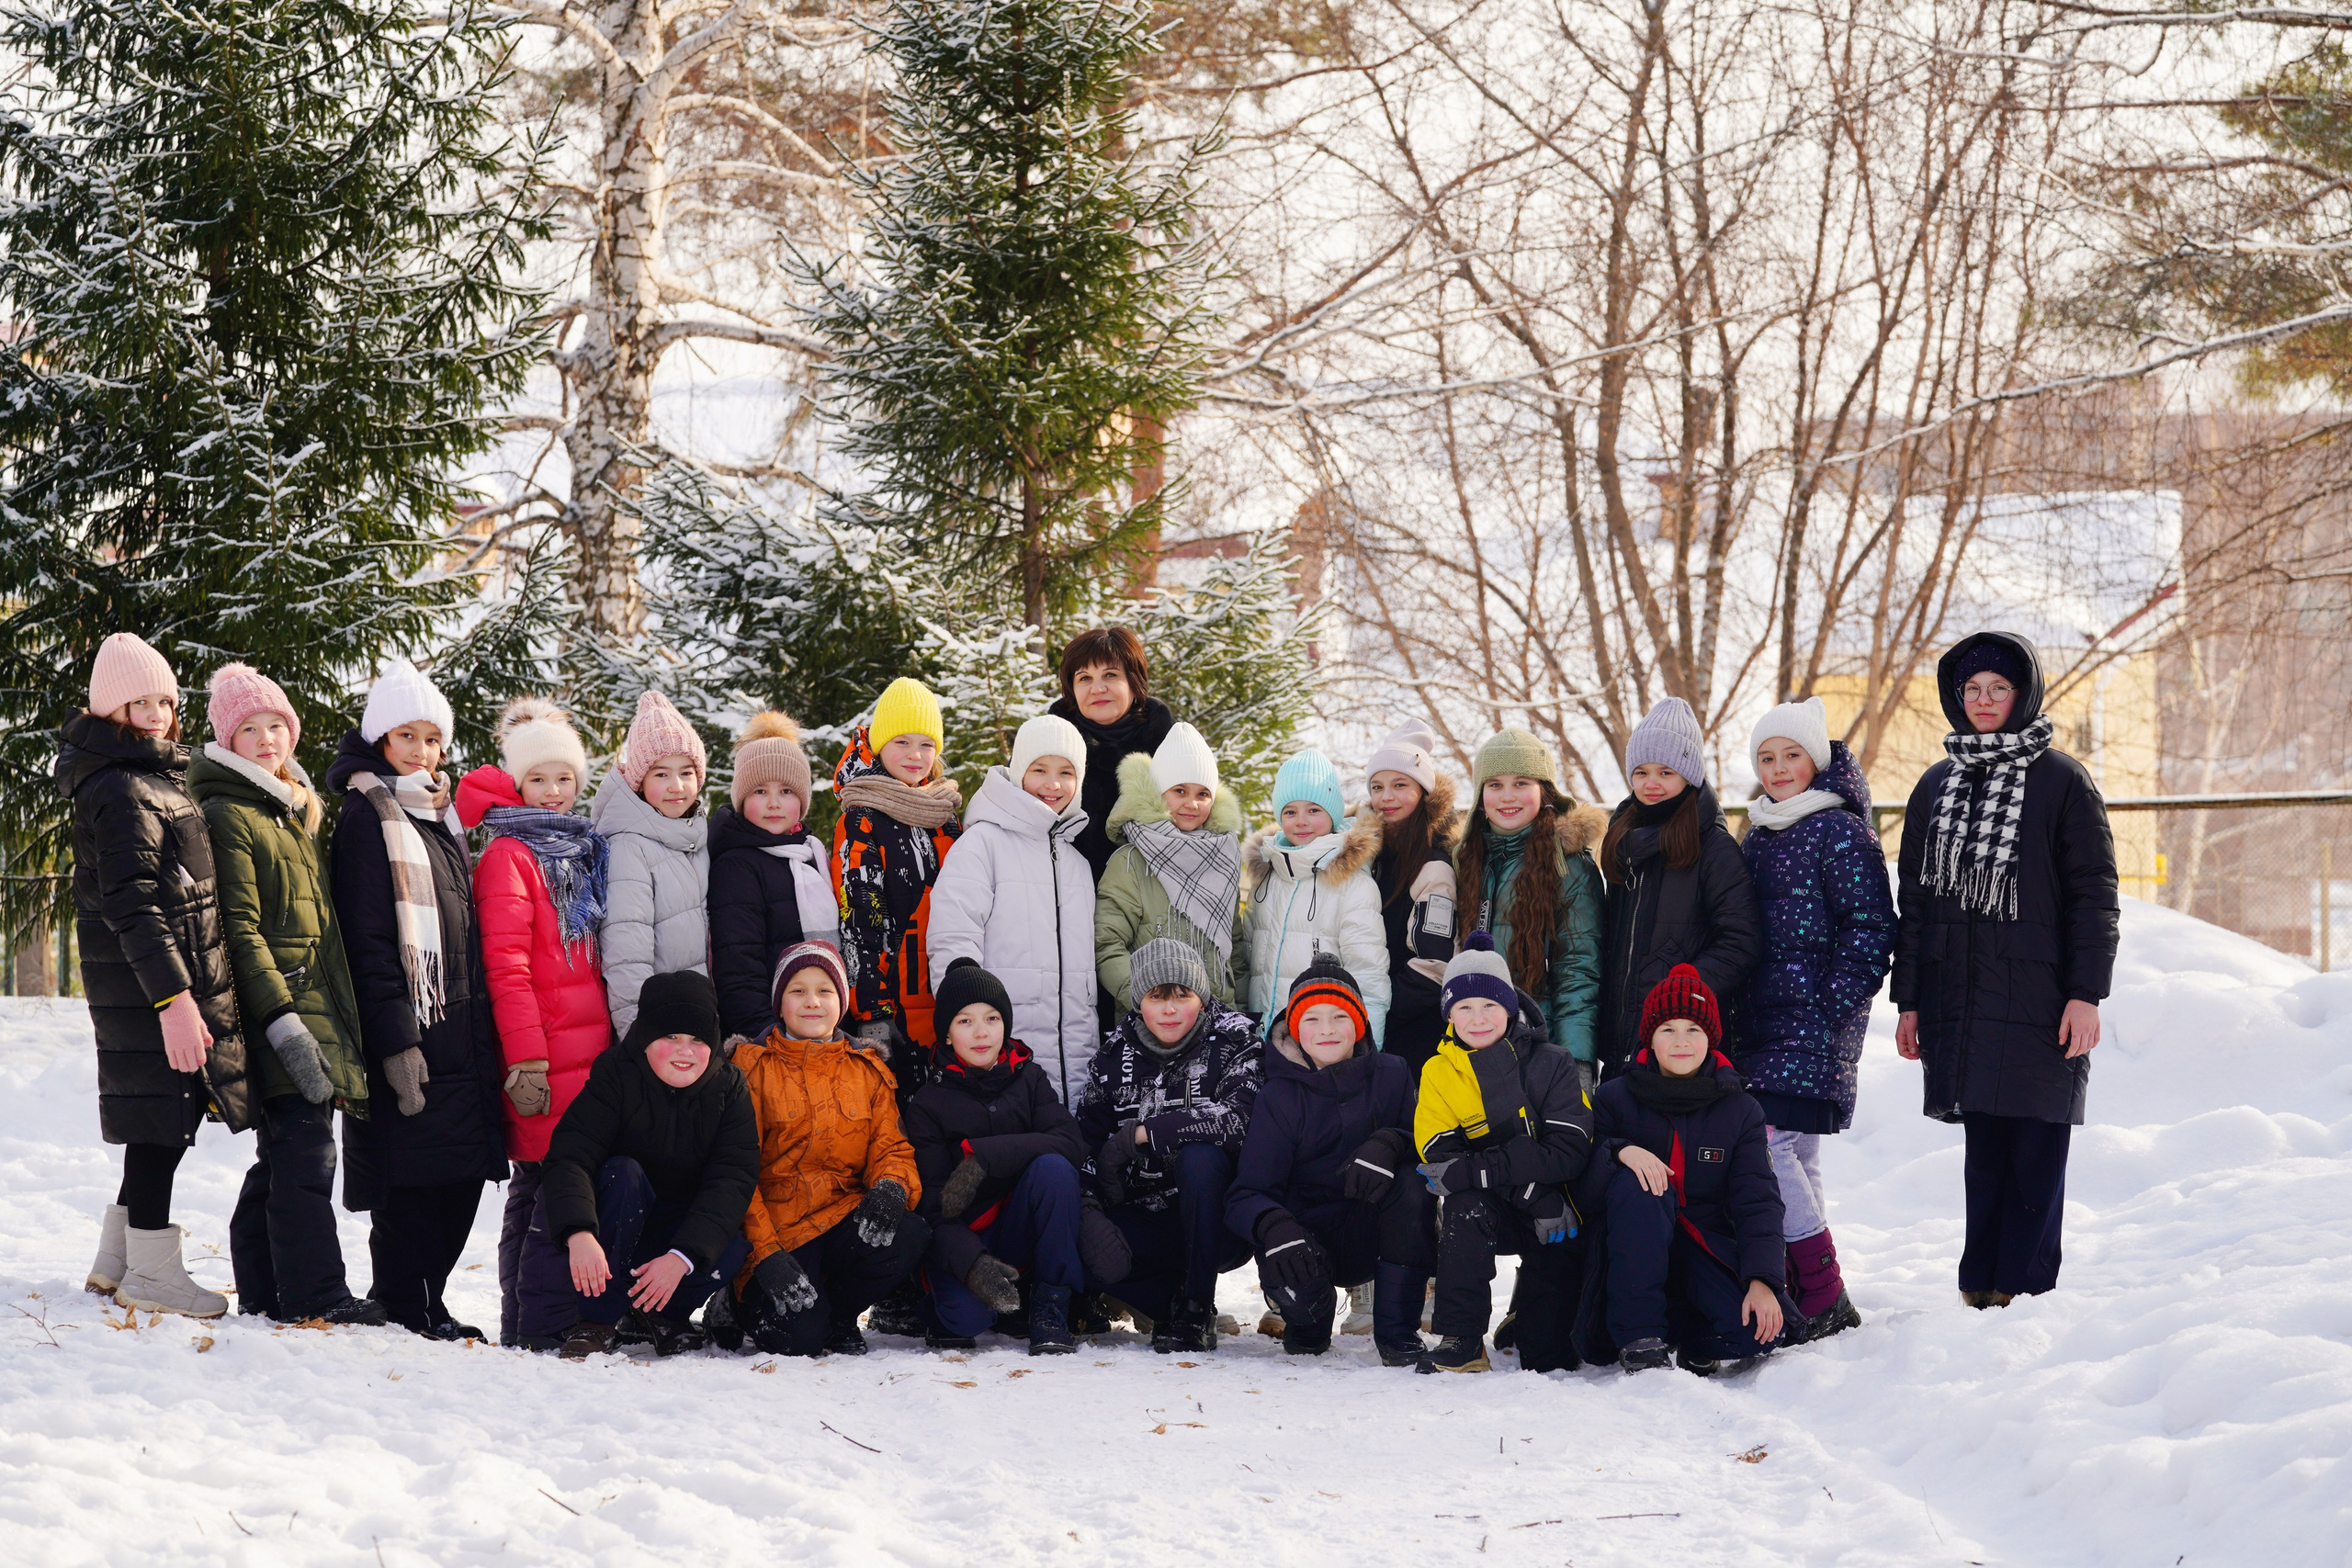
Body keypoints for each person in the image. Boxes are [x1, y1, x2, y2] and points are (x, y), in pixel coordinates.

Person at [1894, 631, 2118, 1306]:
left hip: (2041, 997)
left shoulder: (2061, 781)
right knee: (1984, 1151)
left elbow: (2093, 896)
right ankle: (1979, 1287)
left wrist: (2086, 993)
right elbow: (1917, 904)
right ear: (1955, 698)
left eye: (1997, 688)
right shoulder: (1936, 785)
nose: (1984, 700)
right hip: (1958, 998)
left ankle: (2026, 1294)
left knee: (2035, 1151)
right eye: (1971, 689)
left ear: (2022, 693)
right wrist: (1909, 1001)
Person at [61, 632, 252, 1319]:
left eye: (165, 699)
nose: (157, 712)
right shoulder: (121, 785)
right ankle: (152, 1271)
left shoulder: (144, 775)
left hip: (147, 983)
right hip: (150, 987)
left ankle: (116, 1261)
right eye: (140, 701)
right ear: (114, 710)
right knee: (163, 1123)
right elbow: (132, 901)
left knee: (157, 1117)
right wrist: (174, 996)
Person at [190, 661, 380, 1326]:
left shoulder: (288, 813)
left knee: (283, 1159)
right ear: (227, 739)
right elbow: (239, 930)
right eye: (250, 728)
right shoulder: (230, 813)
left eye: (277, 725)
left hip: (314, 1009)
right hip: (283, 1014)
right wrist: (280, 1021)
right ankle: (316, 1293)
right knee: (305, 1158)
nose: (268, 738)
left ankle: (266, 1289)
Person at [327, 660, 506, 1339]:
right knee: (410, 1185)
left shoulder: (437, 813)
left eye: (433, 738)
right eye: (408, 735)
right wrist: (395, 1039)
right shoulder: (368, 815)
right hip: (410, 1031)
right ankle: (404, 1303)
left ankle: (428, 1302)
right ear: (380, 739)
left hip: (461, 1027)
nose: (423, 751)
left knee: (458, 1181)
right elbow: (368, 940)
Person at [454, 697, 612, 1347]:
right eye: (540, 779)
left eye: (564, 779)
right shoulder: (510, 856)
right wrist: (527, 1059)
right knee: (551, 1189)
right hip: (544, 1056)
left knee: (541, 1185)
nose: (553, 792)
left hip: (589, 1053)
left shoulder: (580, 851)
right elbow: (507, 968)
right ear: (519, 783)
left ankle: (521, 1323)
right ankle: (540, 1326)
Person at [1738, 697, 1894, 1341]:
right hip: (1763, 1022)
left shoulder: (1840, 831)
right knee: (1797, 1150)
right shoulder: (1760, 832)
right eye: (1766, 758)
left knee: (1768, 1143)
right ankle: (1812, 1290)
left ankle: (1823, 1286)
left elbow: (1871, 926)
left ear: (1816, 760)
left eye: (1791, 755)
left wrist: (1831, 1005)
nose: (1778, 769)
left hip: (1815, 1023)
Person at [520, 970, 759, 1359]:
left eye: (698, 1039)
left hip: (676, 1231)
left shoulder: (729, 1088)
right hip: (616, 1226)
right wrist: (579, 1231)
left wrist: (682, 1257)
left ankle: (660, 1313)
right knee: (623, 1172)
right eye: (670, 1037)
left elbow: (733, 1177)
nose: (685, 1051)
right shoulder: (616, 1073)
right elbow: (570, 1155)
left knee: (731, 1247)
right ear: (646, 1037)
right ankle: (596, 1321)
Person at [1580, 965, 1790, 1376]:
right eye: (1668, 1030)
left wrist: (1763, 1280)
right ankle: (1640, 1337)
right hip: (1628, 1249)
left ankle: (1689, 1336)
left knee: (1760, 1334)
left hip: (1703, 1244)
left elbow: (1758, 1200)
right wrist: (1619, 1152)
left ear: (1711, 1037)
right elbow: (1582, 1188)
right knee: (1642, 1185)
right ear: (1650, 1039)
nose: (1681, 1042)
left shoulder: (1741, 1108)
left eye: (1693, 1029)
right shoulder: (1613, 1097)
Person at [1226, 958, 1433, 1366]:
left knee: (1414, 1182)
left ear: (1359, 1023)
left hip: (1373, 1231)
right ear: (1294, 1028)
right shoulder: (1276, 1094)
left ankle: (1397, 1331)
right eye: (1312, 1018)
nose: (1326, 1030)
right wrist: (1274, 1225)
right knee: (1305, 1325)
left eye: (1340, 1017)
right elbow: (1245, 1193)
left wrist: (1393, 1141)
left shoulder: (1392, 1074)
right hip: (1303, 1239)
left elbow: (1429, 1144)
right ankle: (1307, 1322)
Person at [729, 940, 929, 1356]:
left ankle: (839, 1316)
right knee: (800, 1340)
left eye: (825, 990)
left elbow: (891, 1147)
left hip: (839, 1220)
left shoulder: (867, 1070)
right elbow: (734, 1174)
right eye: (797, 990)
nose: (812, 1002)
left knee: (909, 1234)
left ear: (842, 1001)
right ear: (779, 1003)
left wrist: (892, 1186)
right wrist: (765, 1256)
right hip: (779, 1234)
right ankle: (735, 1304)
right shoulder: (751, 1069)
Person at [1412, 931, 1592, 1374]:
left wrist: (1495, 1172)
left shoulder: (1554, 1062)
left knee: (1548, 1358)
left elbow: (1569, 1151)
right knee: (1463, 1205)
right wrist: (1530, 1192)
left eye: (1490, 1005)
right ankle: (1462, 1336)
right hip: (1514, 1201)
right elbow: (1440, 1158)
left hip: (1558, 1212)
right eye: (1464, 1007)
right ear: (1448, 1013)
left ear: (1510, 1006)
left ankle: (1530, 1318)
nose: (1478, 1018)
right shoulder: (1438, 1070)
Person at [903, 959, 1096, 1355]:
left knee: (1054, 1169)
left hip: (1019, 1226)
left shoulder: (1029, 1078)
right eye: (965, 1021)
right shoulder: (927, 1103)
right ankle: (947, 1303)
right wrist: (974, 1268)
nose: (981, 1032)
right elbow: (933, 1208)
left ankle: (1050, 1306)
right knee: (964, 1320)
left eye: (991, 1018)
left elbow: (1070, 1143)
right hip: (964, 1238)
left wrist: (984, 1157)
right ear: (946, 1033)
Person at [1078, 939, 1262, 1352]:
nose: (1170, 1008)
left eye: (1184, 994)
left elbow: (1242, 1119)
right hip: (1145, 1217)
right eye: (1156, 996)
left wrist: (1141, 1136)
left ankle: (1197, 1306)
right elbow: (1085, 1142)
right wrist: (1087, 1207)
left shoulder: (1236, 1039)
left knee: (1201, 1157)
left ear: (1202, 996)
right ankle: (1166, 1300)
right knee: (1070, 1235)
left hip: (1220, 1223)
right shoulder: (1113, 1055)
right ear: (1138, 1001)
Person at [926, 714, 1098, 1103]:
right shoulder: (981, 845)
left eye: (1066, 772)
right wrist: (970, 1029)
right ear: (1019, 770)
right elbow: (953, 942)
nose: (1052, 785)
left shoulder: (1077, 863)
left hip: (1077, 1062)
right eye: (1039, 769)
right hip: (1001, 1060)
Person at [1597, 698, 1765, 1072]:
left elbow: (1741, 941)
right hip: (1620, 1037)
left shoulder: (1714, 847)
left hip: (1682, 1039)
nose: (1651, 783)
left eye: (1665, 772)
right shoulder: (1623, 838)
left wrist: (1682, 990)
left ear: (1689, 775)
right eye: (1641, 772)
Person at [1450, 728, 1608, 1076]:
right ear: (1480, 795)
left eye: (1521, 783)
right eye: (1495, 785)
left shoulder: (1568, 865)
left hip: (1541, 1046)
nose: (1507, 796)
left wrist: (1575, 1064)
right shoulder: (1467, 859)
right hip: (1472, 1043)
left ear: (1544, 790)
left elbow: (1578, 973)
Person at [831, 675, 964, 1085]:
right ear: (879, 744)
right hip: (891, 1006)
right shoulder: (862, 817)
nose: (915, 755)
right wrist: (874, 1013)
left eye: (926, 744)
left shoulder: (944, 816)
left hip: (945, 995)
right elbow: (859, 921)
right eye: (901, 742)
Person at [1095, 720, 1248, 1013]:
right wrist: (1146, 1001)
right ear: (1159, 791)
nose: (1192, 803)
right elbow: (1107, 944)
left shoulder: (1224, 856)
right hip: (1153, 1024)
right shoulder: (1131, 861)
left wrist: (1242, 1014)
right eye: (1180, 790)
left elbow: (1235, 951)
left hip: (1217, 1021)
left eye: (1202, 794)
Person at [1242, 749, 1389, 1042]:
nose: (1301, 821)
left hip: (1325, 1045)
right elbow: (1246, 966)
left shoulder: (1352, 885)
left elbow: (1369, 976)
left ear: (1332, 814)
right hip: (1261, 1044)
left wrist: (1364, 1051)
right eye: (1290, 811)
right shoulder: (1266, 879)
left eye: (1313, 810)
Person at [707, 710, 834, 1044]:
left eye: (787, 792)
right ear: (742, 798)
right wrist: (768, 1038)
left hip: (813, 1028)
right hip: (771, 1038)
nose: (774, 804)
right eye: (760, 791)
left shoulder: (809, 855)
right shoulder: (736, 865)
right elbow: (737, 967)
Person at [591, 690, 709, 1039]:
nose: (677, 787)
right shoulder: (629, 846)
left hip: (698, 1024)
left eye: (686, 772)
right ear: (639, 782)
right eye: (661, 775)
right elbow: (626, 954)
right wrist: (639, 1038)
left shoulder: (694, 837)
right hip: (661, 1033)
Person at [1360, 721, 1462, 1075]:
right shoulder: (1374, 859)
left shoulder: (1433, 865)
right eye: (1377, 787)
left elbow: (1435, 965)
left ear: (1423, 793)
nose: (1386, 797)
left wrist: (1378, 1006)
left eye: (1400, 785)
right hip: (1373, 1025)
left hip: (1413, 1034)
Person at [1046, 626, 1175, 882]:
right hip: (1060, 896)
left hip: (1148, 903)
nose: (1097, 688)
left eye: (1110, 675)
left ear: (1133, 680)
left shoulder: (1170, 748)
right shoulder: (1046, 746)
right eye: (1084, 678)